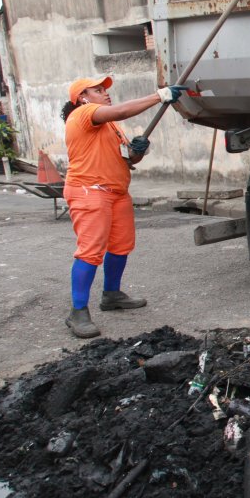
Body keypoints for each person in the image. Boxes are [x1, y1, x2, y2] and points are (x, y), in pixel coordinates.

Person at [60, 76, 186, 338]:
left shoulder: (110, 127)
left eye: (105, 90)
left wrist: (138, 150)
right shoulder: (83, 115)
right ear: (82, 97)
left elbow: (127, 160)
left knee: (121, 246)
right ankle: (78, 312)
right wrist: (158, 96)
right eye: (97, 90)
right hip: (90, 191)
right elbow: (121, 110)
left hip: (116, 192)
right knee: (90, 252)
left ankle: (112, 295)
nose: (105, 93)